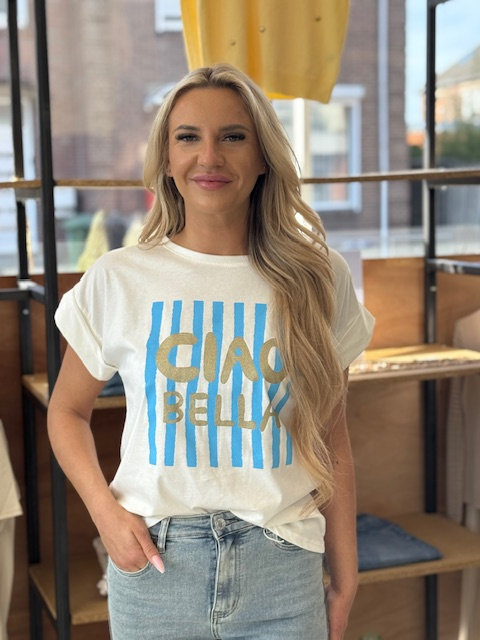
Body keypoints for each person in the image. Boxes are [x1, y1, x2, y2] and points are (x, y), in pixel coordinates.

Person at [47, 63, 374, 640]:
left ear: (263, 155)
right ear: (166, 158)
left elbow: (332, 432)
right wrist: (105, 513)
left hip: (283, 567)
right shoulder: (119, 278)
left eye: (233, 136)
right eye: (188, 137)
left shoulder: (319, 277)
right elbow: (66, 411)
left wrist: (346, 576)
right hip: (156, 568)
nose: (209, 157)